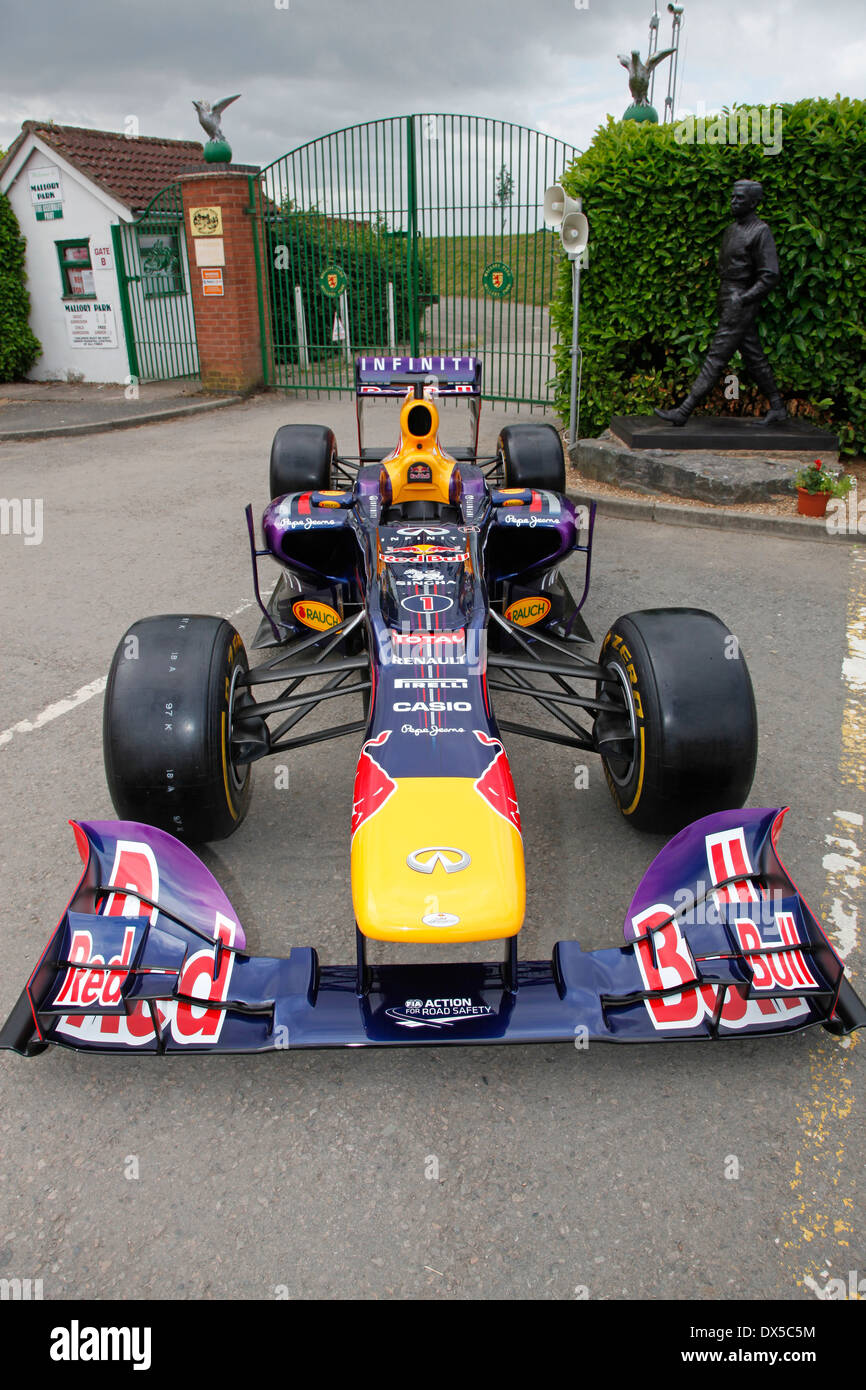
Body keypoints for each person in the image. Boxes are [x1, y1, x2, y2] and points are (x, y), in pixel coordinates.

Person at [655, 179, 787, 426]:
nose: (734, 202)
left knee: (716, 357)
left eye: (740, 198)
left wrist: (744, 298)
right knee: (753, 355)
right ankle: (778, 406)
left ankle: (684, 411)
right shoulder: (731, 230)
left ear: (754, 202)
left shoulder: (760, 232)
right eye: (733, 197)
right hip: (729, 296)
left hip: (741, 299)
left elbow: (770, 274)